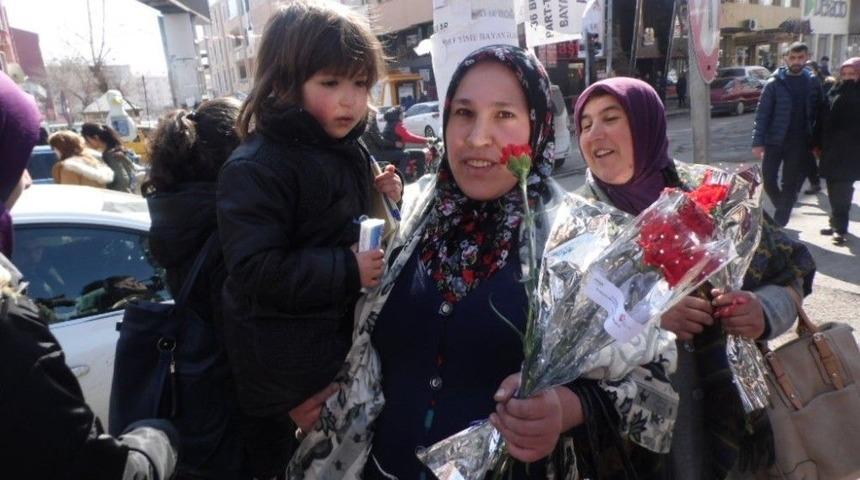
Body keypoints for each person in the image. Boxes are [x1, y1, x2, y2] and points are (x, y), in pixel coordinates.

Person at [291, 44, 678, 480]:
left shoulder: (585, 242)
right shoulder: (406, 217)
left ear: (537, 126)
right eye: (464, 113)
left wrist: (568, 407)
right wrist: (313, 391)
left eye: (504, 115)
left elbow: (657, 392)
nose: (477, 138)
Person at [573, 77, 816, 479]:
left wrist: (764, 310)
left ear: (646, 124)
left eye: (611, 118)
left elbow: (795, 268)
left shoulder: (712, 195)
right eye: (585, 125)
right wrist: (647, 321)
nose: (594, 134)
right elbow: (562, 343)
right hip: (633, 449)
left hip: (734, 426)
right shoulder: (576, 226)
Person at [215, 2, 402, 477]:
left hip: (345, 358)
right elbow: (255, 269)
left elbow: (353, 225)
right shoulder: (257, 166)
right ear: (283, 83)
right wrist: (346, 268)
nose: (350, 101)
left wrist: (385, 197)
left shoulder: (347, 148)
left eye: (360, 84)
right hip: (296, 383)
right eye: (330, 83)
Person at [0, 70, 178, 479]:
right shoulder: (8, 322)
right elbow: (98, 469)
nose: (28, 178)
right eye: (16, 160)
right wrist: (158, 436)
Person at [142, 98, 251, 478]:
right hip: (234, 410)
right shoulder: (225, 226)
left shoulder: (175, 212)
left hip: (196, 401)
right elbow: (242, 336)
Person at [751, 42, 823, 227]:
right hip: (774, 140)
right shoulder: (774, 83)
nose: (796, 61)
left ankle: (780, 221)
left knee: (789, 183)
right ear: (785, 59)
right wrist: (758, 142)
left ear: (807, 58)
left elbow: (821, 112)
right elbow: (762, 114)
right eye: (792, 58)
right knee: (768, 180)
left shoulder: (813, 82)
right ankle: (783, 207)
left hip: (799, 142)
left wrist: (818, 142)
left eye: (800, 57)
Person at [817, 57, 860, 246]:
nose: (848, 78)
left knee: (842, 191)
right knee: (833, 189)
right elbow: (823, 117)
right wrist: (816, 142)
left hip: (851, 152)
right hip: (831, 150)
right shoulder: (834, 90)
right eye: (845, 74)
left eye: (853, 74)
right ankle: (834, 222)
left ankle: (840, 229)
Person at [80, 122, 136, 193]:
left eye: (86, 140)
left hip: (119, 197)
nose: (85, 143)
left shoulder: (110, 155)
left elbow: (122, 181)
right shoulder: (117, 150)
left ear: (96, 137)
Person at [48, 130, 114, 188]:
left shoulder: (68, 167)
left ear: (60, 148)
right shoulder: (93, 161)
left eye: (54, 148)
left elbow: (70, 192)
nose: (55, 151)